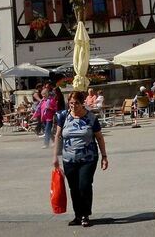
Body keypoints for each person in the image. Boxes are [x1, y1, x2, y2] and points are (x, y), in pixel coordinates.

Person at [51, 90, 108, 228]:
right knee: (74, 188)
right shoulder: (63, 116)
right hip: (69, 159)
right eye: (71, 103)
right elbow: (58, 136)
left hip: (88, 158)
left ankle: (85, 214)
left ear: (82, 103)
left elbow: (99, 137)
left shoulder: (91, 118)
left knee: (84, 185)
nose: (73, 106)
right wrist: (55, 156)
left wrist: (104, 156)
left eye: (76, 103)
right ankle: (78, 215)